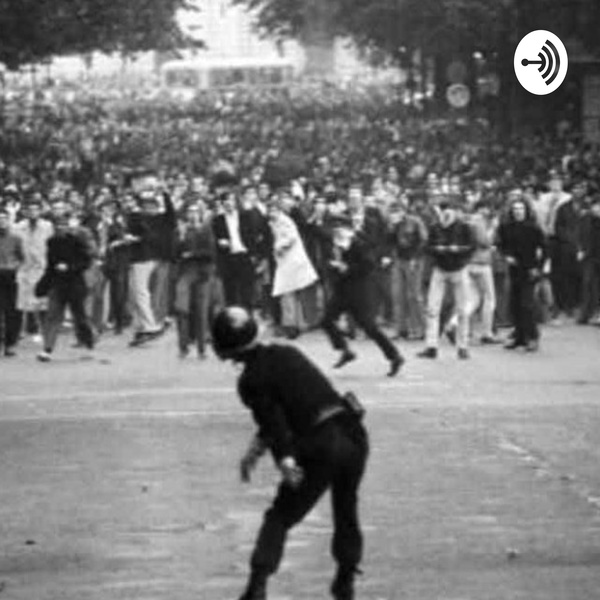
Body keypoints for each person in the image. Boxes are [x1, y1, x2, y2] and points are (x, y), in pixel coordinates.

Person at [211, 306, 369, 600]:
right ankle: (345, 579)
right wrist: (256, 450)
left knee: (280, 516)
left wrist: (285, 459)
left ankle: (257, 585)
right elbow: (297, 402)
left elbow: (275, 423)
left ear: (225, 350)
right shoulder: (287, 353)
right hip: (352, 433)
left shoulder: (250, 381)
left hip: (319, 446)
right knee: (346, 507)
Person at [322, 218, 404, 376]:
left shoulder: (359, 244)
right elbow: (329, 263)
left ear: (349, 231)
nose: (337, 233)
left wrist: (347, 268)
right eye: (335, 231)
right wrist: (333, 267)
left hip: (360, 291)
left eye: (341, 230)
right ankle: (345, 350)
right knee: (326, 320)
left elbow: (368, 265)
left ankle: (395, 356)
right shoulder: (334, 246)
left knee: (369, 327)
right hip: (342, 290)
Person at [418, 198, 476, 360]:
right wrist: (438, 250)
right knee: (432, 308)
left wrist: (458, 251)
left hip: (459, 269)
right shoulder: (435, 228)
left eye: (449, 210)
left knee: (462, 310)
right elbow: (426, 247)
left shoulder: (464, 227)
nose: (445, 214)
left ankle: (463, 346)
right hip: (440, 269)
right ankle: (431, 346)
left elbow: (472, 246)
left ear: (455, 212)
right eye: (443, 211)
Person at [36, 213, 96, 362]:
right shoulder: (51, 242)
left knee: (80, 317)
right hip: (57, 284)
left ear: (68, 227)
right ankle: (47, 349)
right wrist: (42, 285)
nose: (60, 228)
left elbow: (86, 262)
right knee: (52, 316)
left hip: (75, 283)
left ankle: (88, 341)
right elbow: (50, 266)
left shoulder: (76, 241)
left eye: (63, 225)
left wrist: (69, 267)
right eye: (58, 225)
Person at [497, 199, 546, 351]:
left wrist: (538, 267)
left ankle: (532, 337)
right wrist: (506, 256)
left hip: (530, 269)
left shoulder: (534, 228)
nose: (518, 211)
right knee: (515, 304)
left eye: (521, 209)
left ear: (526, 211)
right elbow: (501, 245)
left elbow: (544, 248)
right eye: (515, 209)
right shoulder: (505, 227)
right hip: (514, 269)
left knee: (527, 304)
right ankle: (519, 337)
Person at [174, 202, 219, 359]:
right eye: (189, 211)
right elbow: (174, 254)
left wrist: (192, 254)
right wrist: (180, 238)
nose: (192, 214)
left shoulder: (206, 230)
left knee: (201, 312)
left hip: (202, 274)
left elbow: (211, 253)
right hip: (185, 273)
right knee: (181, 309)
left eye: (195, 211)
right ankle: (183, 347)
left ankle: (201, 349)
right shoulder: (181, 231)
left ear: (200, 214)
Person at [0, 207, 24, 357]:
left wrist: (16, 266)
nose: (1, 221)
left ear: (8, 221)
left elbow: (22, 258)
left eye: (4, 218)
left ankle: (9, 344)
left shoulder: (16, 238)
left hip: (11, 276)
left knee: (12, 312)